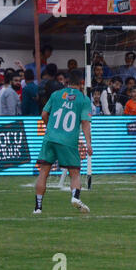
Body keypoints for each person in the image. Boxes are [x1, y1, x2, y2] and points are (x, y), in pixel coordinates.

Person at [33, 70, 92, 214]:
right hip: (68, 141)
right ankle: (75, 198)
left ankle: (38, 208)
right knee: (75, 172)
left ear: (66, 83)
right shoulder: (84, 99)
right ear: (81, 84)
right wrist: (88, 143)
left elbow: (43, 114)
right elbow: (85, 123)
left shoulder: (56, 94)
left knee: (44, 172)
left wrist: (50, 128)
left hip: (50, 138)